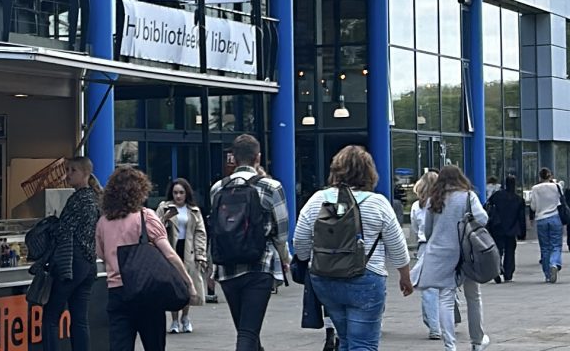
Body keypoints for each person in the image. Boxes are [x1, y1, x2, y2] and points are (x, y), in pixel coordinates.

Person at [293, 145, 413, 350]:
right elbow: (397, 247)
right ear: (369, 173)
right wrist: (405, 276)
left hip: (325, 279)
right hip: (366, 278)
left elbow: (300, 242)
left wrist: (307, 261)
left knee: (345, 338)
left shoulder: (317, 200)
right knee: (363, 343)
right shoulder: (378, 203)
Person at [96, 167, 197, 351]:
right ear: (139, 191)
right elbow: (169, 254)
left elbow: (101, 255)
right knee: (154, 345)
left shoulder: (103, 222)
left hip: (117, 292)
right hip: (146, 290)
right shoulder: (145, 216)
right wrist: (188, 282)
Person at [209, 135, 290, 351]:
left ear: (233, 158)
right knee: (248, 332)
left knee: (246, 330)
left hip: (226, 268)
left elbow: (217, 228)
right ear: (258, 158)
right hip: (259, 265)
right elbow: (282, 233)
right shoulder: (272, 187)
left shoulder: (218, 188)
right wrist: (285, 260)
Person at [412, 165, 490, 351]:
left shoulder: (434, 200)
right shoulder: (468, 196)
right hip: (467, 253)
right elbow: (483, 218)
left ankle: (450, 345)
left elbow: (429, 230)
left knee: (445, 299)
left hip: (442, 254)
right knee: (473, 297)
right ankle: (477, 341)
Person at [43, 156, 101, 351]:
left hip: (72, 262)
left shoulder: (78, 199)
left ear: (85, 173)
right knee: (79, 318)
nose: (67, 175)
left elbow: (64, 230)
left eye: (72, 170)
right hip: (88, 263)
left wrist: (51, 225)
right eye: (67, 170)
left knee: (51, 315)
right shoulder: (93, 198)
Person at [157, 178, 208, 333]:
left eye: (181, 193)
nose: (178, 196)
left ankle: (185, 317)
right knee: (173, 285)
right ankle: (173, 321)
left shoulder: (193, 210)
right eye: (175, 193)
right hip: (170, 248)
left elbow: (200, 233)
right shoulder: (164, 207)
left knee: (187, 284)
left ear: (187, 194)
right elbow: (154, 227)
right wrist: (165, 218)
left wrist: (201, 255)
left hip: (188, 249)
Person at [410, 171, 442, 340]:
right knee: (445, 287)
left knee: (428, 289)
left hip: (425, 246)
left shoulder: (417, 206)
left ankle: (434, 326)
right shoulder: (444, 203)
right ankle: (447, 320)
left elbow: (415, 229)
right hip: (443, 246)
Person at [484, 175, 525, 284]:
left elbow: (487, 206)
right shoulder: (518, 199)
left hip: (498, 226)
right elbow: (521, 218)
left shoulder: (497, 195)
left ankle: (497, 269)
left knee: (498, 249)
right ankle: (508, 273)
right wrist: (522, 232)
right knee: (510, 251)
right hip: (512, 228)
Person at [528, 167, 564, 283]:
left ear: (539, 177)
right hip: (555, 217)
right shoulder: (556, 186)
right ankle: (555, 263)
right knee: (556, 245)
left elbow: (532, 206)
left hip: (541, 219)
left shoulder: (535, 189)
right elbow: (561, 200)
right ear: (550, 176)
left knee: (544, 248)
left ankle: (547, 274)